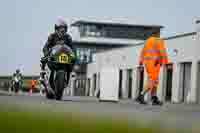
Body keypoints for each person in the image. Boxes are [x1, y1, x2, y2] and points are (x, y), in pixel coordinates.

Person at [40, 16, 76, 88]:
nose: (62, 30)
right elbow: (46, 46)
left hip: (64, 57)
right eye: (61, 28)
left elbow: (72, 48)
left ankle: (71, 73)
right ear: (56, 29)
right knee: (43, 59)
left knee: (73, 60)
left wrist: (74, 55)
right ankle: (42, 74)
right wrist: (46, 53)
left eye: (64, 28)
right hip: (54, 56)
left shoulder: (68, 37)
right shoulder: (52, 36)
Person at [136, 31, 169, 105]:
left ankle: (154, 98)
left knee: (155, 81)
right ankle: (141, 95)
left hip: (148, 64)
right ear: (158, 33)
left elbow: (142, 52)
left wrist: (141, 63)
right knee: (152, 80)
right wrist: (166, 62)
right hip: (155, 63)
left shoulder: (147, 41)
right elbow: (162, 51)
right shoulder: (159, 40)